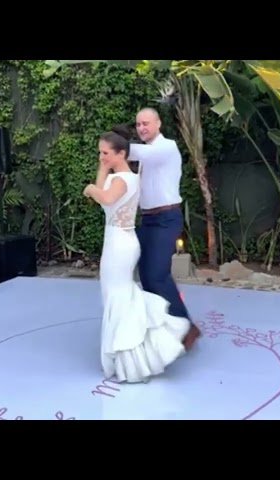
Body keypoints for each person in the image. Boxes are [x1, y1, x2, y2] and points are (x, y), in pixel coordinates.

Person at [82, 126, 191, 384]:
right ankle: (124, 356)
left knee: (119, 297)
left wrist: (90, 189)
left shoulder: (123, 180)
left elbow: (105, 198)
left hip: (121, 244)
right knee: (114, 295)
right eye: (100, 153)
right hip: (116, 241)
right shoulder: (120, 177)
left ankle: (132, 357)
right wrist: (101, 171)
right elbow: (103, 192)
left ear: (122, 153)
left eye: (106, 153)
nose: (102, 157)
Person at [128, 108, 200, 351]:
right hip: (148, 219)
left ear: (158, 124)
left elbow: (136, 152)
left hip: (166, 217)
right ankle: (162, 325)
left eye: (146, 123)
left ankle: (186, 327)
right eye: (138, 125)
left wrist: (115, 144)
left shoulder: (165, 147)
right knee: (147, 276)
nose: (141, 128)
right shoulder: (147, 155)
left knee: (158, 274)